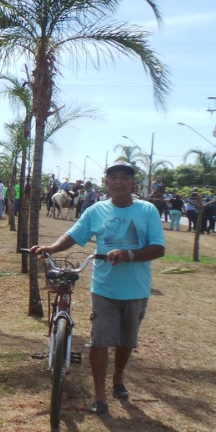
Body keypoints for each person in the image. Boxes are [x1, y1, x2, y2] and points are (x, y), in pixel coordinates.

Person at [28, 161, 165, 416]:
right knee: (99, 341)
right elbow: (73, 235)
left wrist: (128, 254)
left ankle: (118, 379)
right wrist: (51, 248)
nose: (119, 181)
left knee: (126, 341)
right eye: (114, 177)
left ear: (132, 183)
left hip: (136, 289)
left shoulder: (147, 210)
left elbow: (158, 248)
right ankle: (100, 396)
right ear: (107, 182)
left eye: (125, 177)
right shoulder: (95, 211)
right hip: (104, 288)